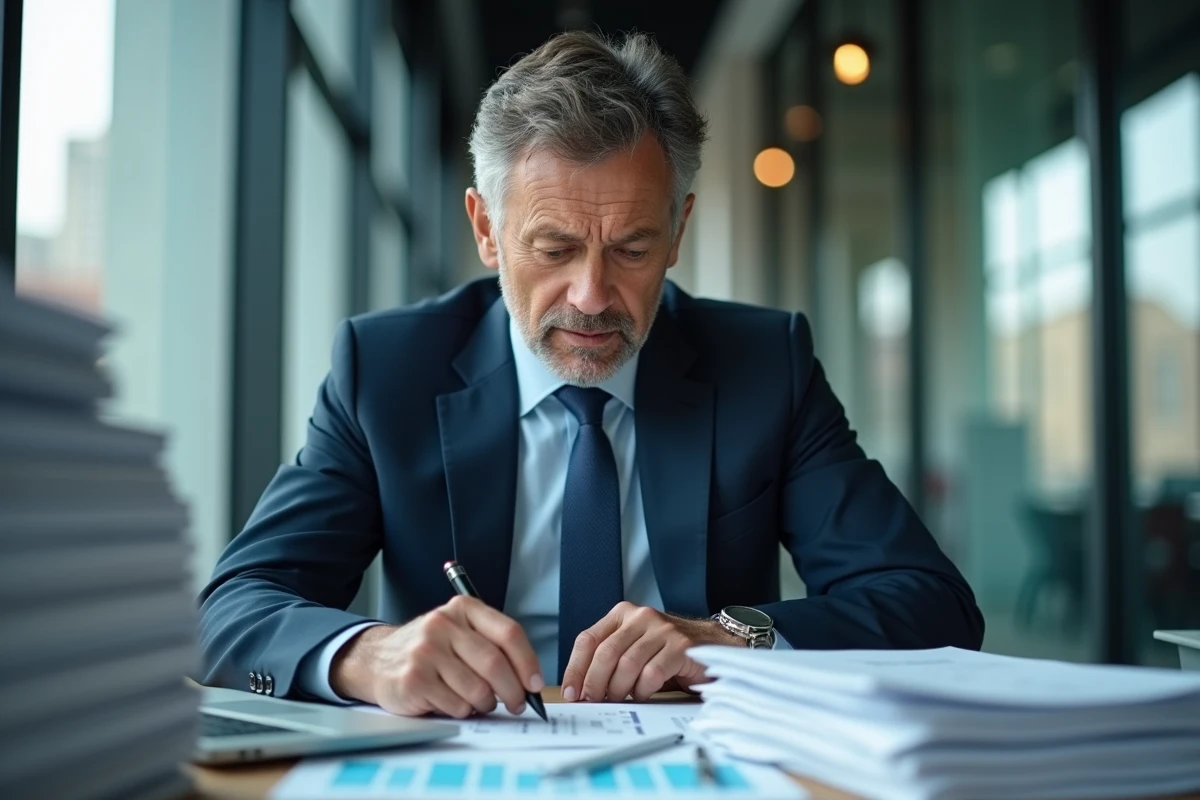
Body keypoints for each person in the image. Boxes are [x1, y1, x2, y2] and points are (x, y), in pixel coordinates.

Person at [199, 30, 984, 720]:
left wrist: (727, 638)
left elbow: (931, 604)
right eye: (554, 248)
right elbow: (229, 611)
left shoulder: (763, 364)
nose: (592, 296)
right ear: (485, 228)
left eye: (633, 249)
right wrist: (369, 657)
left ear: (678, 231)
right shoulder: (386, 370)